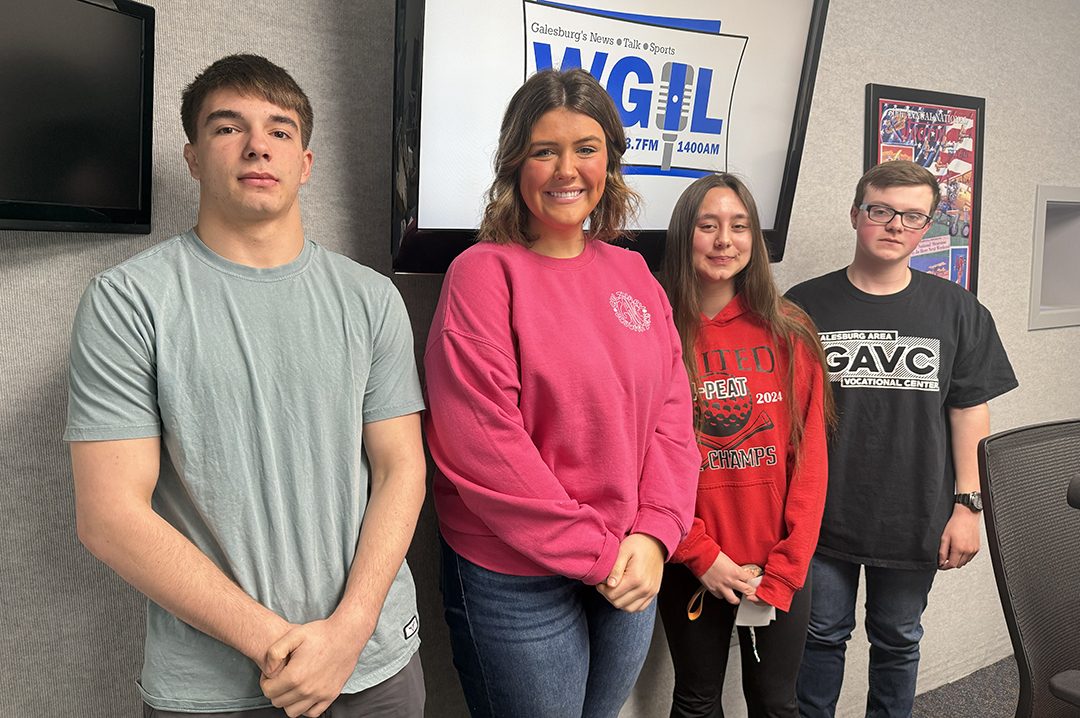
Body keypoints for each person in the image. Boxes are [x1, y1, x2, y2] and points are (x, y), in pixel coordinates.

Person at [65, 54, 427, 717]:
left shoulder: (372, 300)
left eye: (281, 129)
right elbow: (109, 518)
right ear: (194, 157)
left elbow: (401, 468)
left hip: (377, 664)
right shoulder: (126, 302)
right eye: (228, 127)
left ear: (306, 162)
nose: (259, 144)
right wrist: (277, 646)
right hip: (216, 687)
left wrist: (347, 635)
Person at [423, 68, 699, 718]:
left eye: (586, 148)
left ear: (609, 161)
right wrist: (599, 554)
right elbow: (483, 446)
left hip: (629, 558)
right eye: (544, 151)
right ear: (515, 163)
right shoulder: (482, 274)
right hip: (515, 576)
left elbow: (670, 414)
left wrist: (656, 533)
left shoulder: (631, 271)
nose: (566, 169)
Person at [786, 160, 1017, 718]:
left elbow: (968, 411)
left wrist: (968, 507)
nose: (894, 225)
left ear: (927, 227)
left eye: (912, 216)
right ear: (856, 214)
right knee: (819, 638)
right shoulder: (802, 305)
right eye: (881, 210)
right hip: (822, 512)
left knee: (897, 640)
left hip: (914, 513)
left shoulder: (958, 310)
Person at [657, 173, 831, 717]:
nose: (723, 240)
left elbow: (810, 460)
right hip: (693, 561)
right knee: (695, 700)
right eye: (708, 226)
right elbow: (645, 461)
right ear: (686, 235)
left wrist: (783, 569)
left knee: (776, 704)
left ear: (755, 241)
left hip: (777, 565)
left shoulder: (790, 331)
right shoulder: (659, 331)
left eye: (739, 226)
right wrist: (701, 555)